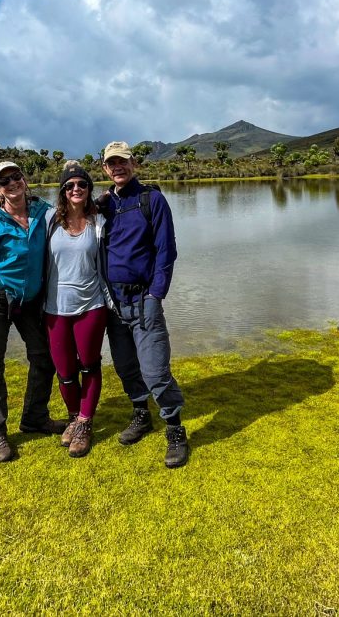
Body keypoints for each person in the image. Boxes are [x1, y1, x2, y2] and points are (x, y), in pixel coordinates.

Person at [0, 161, 67, 462]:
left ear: (25, 179)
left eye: (16, 177)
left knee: (44, 357)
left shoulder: (41, 212)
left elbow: (70, 211)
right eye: (4, 181)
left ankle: (35, 417)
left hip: (30, 298)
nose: (12, 183)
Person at [99, 141, 189, 468]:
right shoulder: (103, 205)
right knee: (125, 366)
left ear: (133, 163)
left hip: (143, 299)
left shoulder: (152, 200)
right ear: (105, 169)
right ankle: (141, 414)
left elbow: (167, 252)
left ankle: (175, 429)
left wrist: (156, 295)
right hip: (112, 302)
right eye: (112, 163)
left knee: (155, 369)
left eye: (123, 161)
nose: (117, 167)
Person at [43, 161, 113, 458]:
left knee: (89, 364)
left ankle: (84, 423)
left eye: (82, 185)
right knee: (65, 370)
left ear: (89, 190)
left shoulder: (99, 222)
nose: (76, 189)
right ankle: (73, 415)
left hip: (92, 305)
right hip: (55, 308)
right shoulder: (48, 220)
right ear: (62, 190)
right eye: (70, 185)